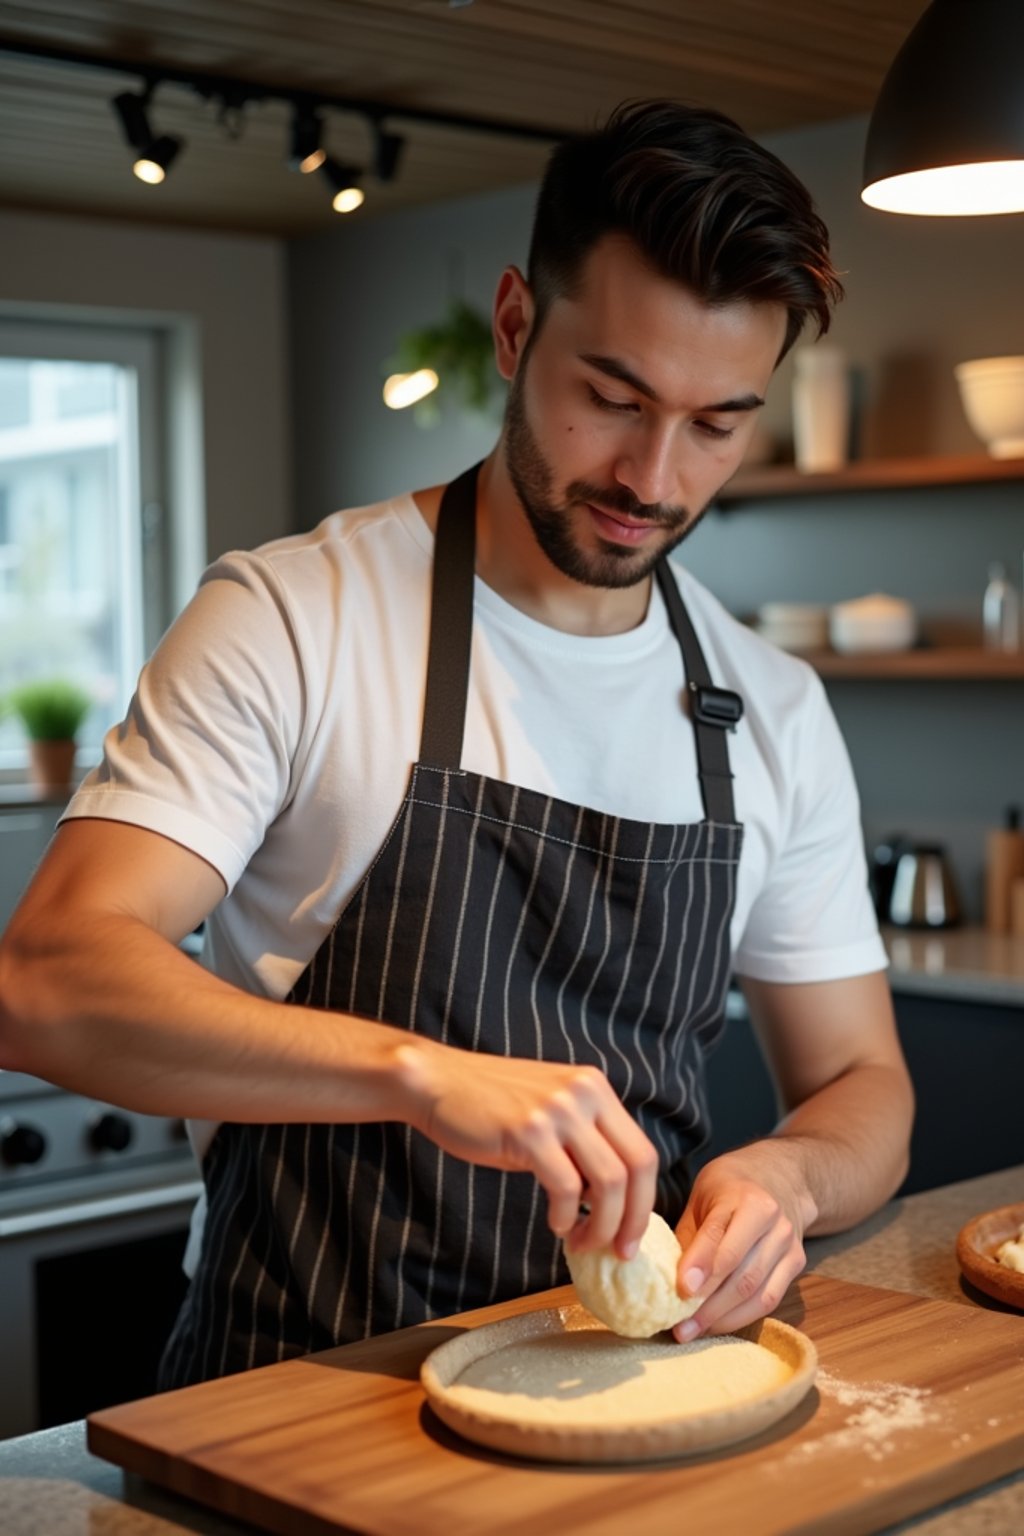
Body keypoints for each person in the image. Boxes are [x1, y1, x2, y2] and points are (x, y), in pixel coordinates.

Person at [0, 99, 914, 1390]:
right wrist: (420, 1075)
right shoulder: (290, 618)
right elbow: (44, 983)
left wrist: (790, 1175)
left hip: (635, 1393)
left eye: (717, 423)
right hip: (301, 1387)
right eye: (614, 395)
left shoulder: (769, 705)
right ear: (513, 325)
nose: (654, 475)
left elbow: (866, 1080)